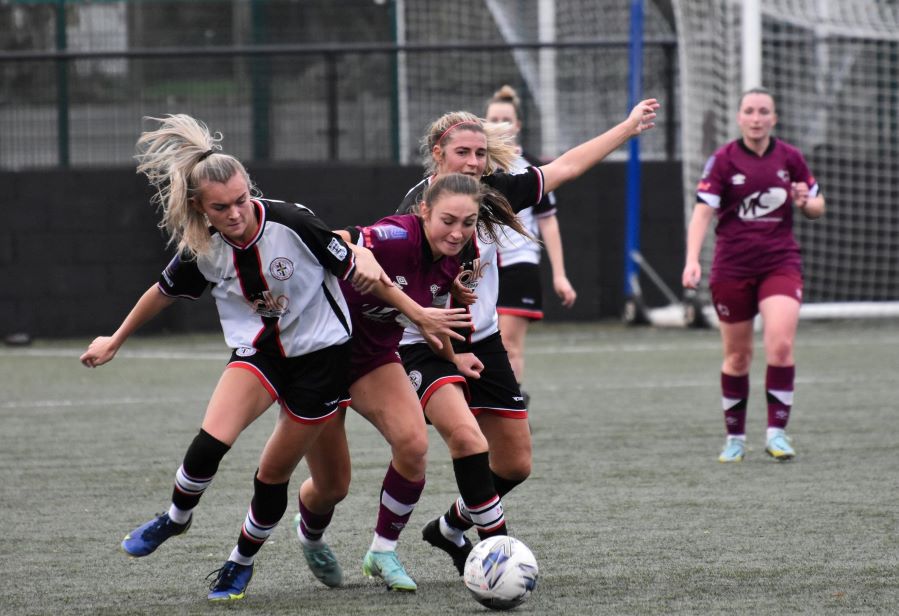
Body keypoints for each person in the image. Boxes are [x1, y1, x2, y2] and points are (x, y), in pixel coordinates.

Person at [79, 114, 470, 602]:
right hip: (261, 356)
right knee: (210, 442)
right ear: (200, 208)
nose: (237, 214)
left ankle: (238, 564)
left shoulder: (291, 222)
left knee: (272, 475)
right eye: (221, 207)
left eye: (242, 200)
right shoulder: (205, 245)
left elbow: (360, 267)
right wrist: (115, 338)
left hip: (322, 364)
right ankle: (175, 518)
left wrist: (418, 312)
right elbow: (163, 291)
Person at [394, 97, 660, 575]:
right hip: (426, 343)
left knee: (515, 464)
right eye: (464, 153)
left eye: (481, 153)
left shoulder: (492, 194)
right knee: (466, 437)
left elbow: (568, 166)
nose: (474, 162)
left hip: (484, 341)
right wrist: (444, 345)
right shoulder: (414, 210)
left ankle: (451, 528)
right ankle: (498, 554)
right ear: (439, 152)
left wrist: (625, 128)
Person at [287, 173, 524, 593]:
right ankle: (310, 534)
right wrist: (358, 251)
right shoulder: (394, 236)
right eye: (449, 221)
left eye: (468, 223)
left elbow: (431, 318)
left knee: (414, 446)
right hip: (319, 358)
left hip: (372, 360)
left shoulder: (453, 258)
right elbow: (335, 238)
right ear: (424, 211)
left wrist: (456, 357)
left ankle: (381, 551)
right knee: (332, 486)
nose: (458, 232)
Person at [681, 87, 825, 464]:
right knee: (738, 356)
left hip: (780, 263)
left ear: (773, 118)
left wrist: (806, 202)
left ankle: (777, 434)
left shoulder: (790, 158)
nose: (757, 118)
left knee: (780, 345)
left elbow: (817, 204)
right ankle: (735, 438)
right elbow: (702, 213)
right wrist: (692, 259)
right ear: (740, 117)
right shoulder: (723, 161)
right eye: (750, 111)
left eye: (764, 111)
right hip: (732, 268)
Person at [485, 85, 577, 406]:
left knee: (509, 342)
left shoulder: (531, 168)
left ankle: (512, 401)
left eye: (506, 119)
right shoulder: (476, 167)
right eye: (493, 118)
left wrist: (560, 274)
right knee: (481, 340)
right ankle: (487, 400)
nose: (499, 124)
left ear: (518, 125)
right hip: (480, 268)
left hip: (518, 262)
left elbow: (548, 222)